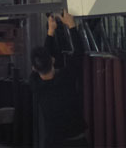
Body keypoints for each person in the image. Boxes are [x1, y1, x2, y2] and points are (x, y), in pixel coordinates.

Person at [30, 11, 88, 148]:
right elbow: (79, 53)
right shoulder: (65, 79)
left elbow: (78, 54)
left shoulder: (35, 84)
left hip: (53, 143)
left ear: (34, 68)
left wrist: (51, 31)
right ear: (53, 60)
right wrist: (71, 25)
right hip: (76, 142)